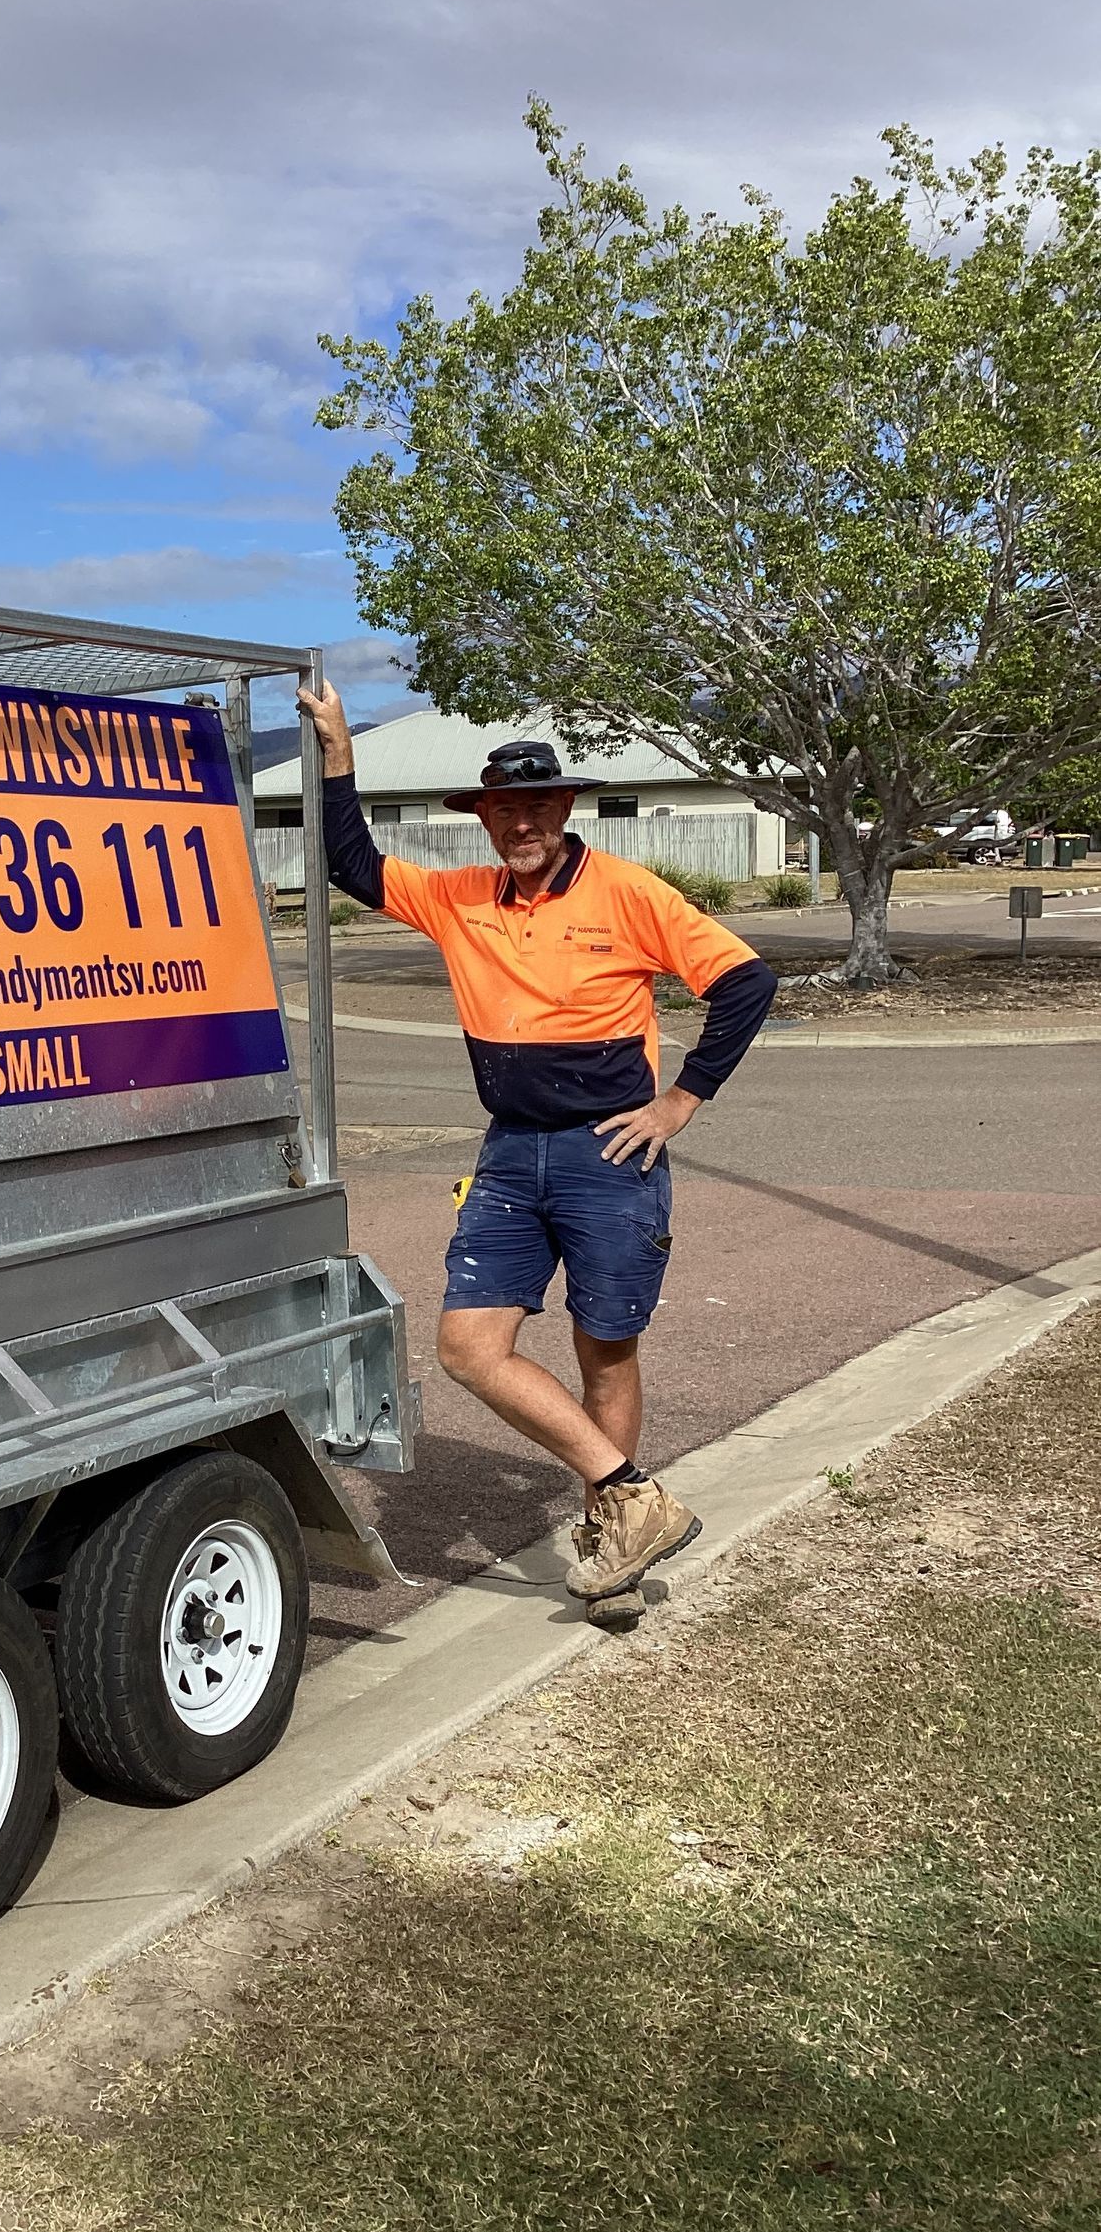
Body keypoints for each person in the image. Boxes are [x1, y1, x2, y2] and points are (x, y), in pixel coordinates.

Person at [296, 683, 777, 1609]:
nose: (520, 823)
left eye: (536, 806)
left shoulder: (627, 892)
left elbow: (745, 982)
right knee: (470, 1347)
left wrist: (681, 1101)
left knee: (606, 1350)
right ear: (484, 819)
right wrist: (338, 756)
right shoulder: (458, 898)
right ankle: (634, 1497)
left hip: (612, 1155)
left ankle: (615, 1544)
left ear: (564, 808)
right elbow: (351, 863)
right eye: (503, 809)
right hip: (511, 1150)